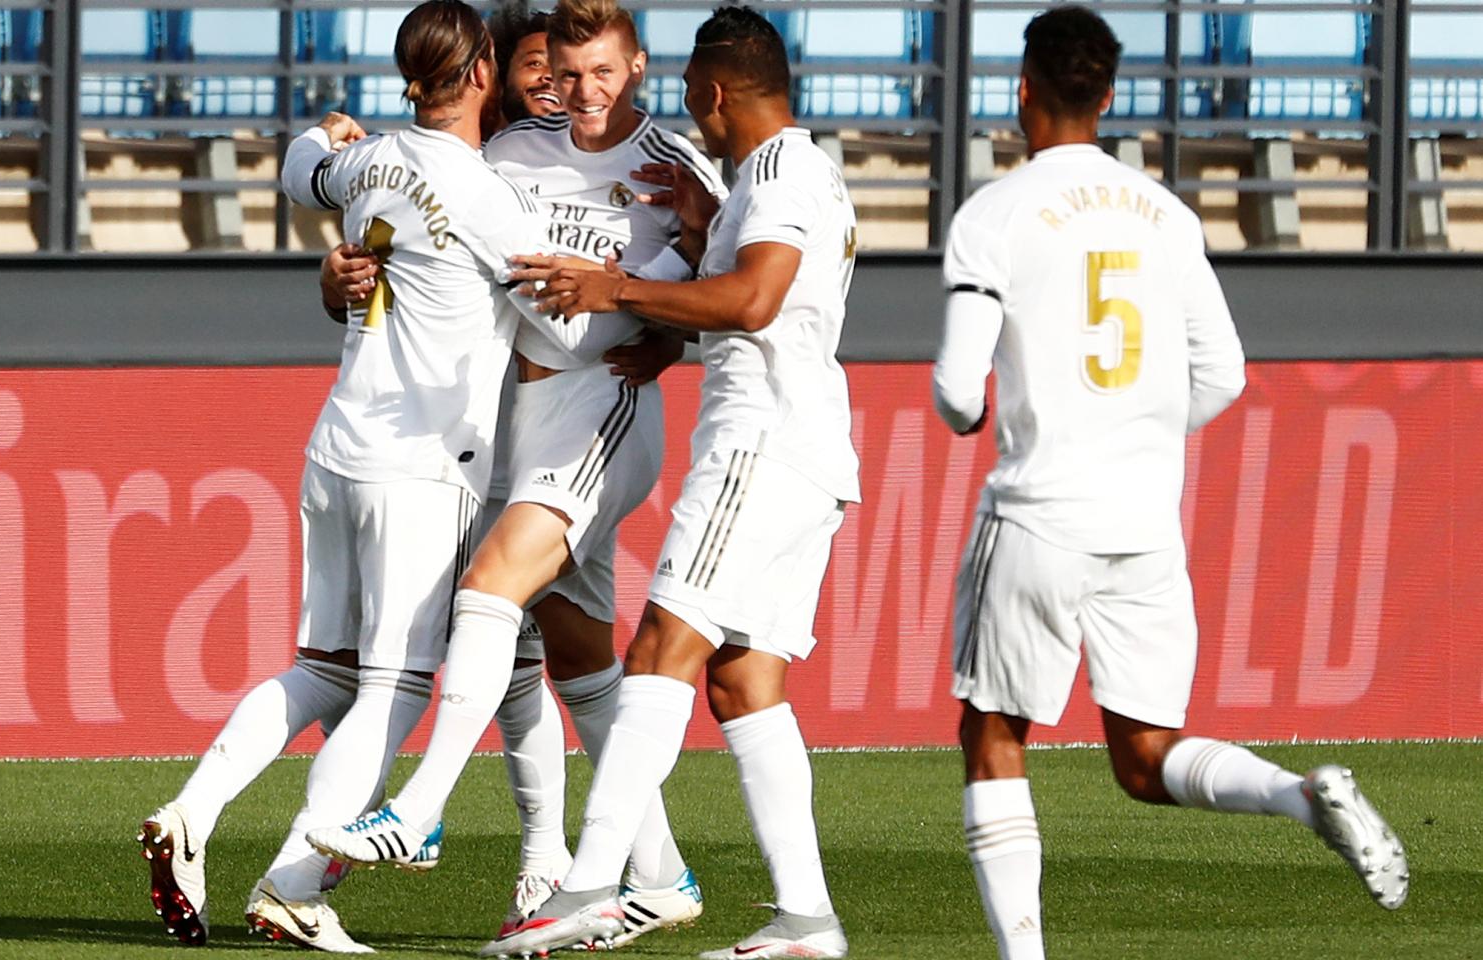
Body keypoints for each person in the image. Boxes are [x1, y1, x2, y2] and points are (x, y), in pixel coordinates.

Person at [927, 8, 1409, 959]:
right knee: (1144, 758)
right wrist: (1138, 430)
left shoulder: (996, 212)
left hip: (1040, 512)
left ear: (1022, 88)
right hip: (1145, 525)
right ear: (1109, 97)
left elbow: (953, 388)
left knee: (993, 734)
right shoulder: (1170, 215)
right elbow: (1223, 373)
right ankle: (1302, 799)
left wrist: (981, 418)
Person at [135, 5, 572, 951]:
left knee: (322, 668)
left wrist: (322, 136)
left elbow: (302, 167)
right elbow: (565, 325)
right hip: (421, 465)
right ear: (485, 69)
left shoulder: (366, 161)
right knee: (398, 685)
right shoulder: (490, 196)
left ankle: (192, 811)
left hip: (338, 441)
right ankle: (294, 885)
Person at [307, 0, 724, 945]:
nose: (576, 92)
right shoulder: (509, 156)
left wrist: (668, 327)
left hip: (599, 405)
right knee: (576, 656)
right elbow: (416, 241)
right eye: (563, 73)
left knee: (488, 593)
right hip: (512, 419)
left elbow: (741, 290)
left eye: (598, 73)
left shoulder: (674, 168)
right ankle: (661, 873)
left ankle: (418, 811)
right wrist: (335, 278)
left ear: (637, 68)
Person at [485, 7, 859, 958]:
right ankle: (807, 917)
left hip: (760, 445)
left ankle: (588, 888)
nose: (690, 109)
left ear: (713, 91)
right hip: (808, 452)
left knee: (658, 651)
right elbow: (737, 285)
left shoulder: (775, 170)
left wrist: (619, 289)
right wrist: (701, 233)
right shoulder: (784, 176)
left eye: (694, 92)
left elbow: (754, 300)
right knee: (743, 682)